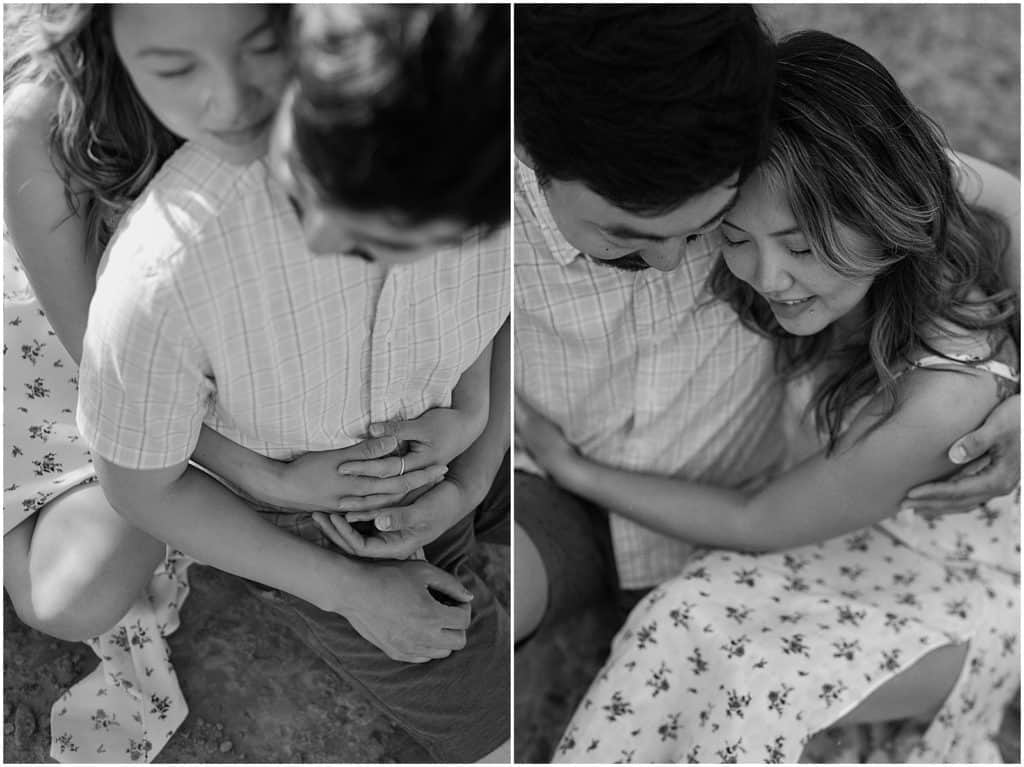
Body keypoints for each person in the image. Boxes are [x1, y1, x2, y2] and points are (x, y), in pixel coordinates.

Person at [5, 3, 508, 762]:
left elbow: (467, 260)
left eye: (261, 47)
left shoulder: (361, 91)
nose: (234, 100)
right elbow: (97, 364)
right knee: (76, 596)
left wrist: (471, 415)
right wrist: (268, 479)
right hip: (107, 377)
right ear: (102, 32)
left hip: (266, 380)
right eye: (176, 69)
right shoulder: (47, 141)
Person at [519, 30, 1018, 764]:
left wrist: (578, 472)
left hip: (975, 593)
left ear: (887, 206)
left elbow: (758, 519)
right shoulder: (802, 205)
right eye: (732, 237)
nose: (767, 275)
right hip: (855, 530)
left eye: (802, 245)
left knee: (750, 676)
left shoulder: (943, 396)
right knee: (680, 617)